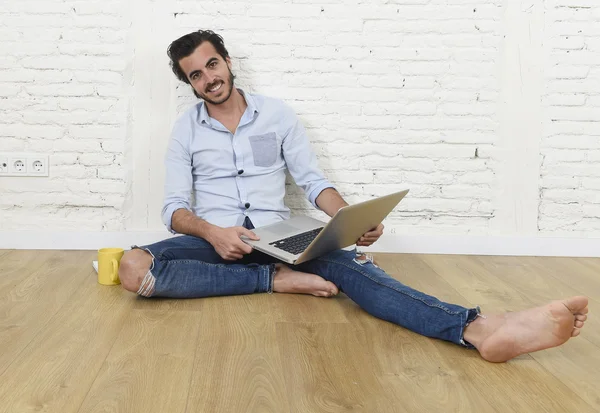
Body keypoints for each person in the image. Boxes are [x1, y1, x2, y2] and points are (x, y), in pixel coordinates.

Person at [118, 30, 589, 363]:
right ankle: (275, 281)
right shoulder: (185, 131)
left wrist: (346, 217)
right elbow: (174, 211)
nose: (209, 78)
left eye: (212, 64)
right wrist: (212, 231)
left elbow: (312, 182)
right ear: (190, 84)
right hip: (215, 239)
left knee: (362, 274)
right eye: (196, 75)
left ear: (227, 61)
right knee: (132, 267)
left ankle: (481, 330)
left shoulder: (278, 115)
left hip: (278, 235)